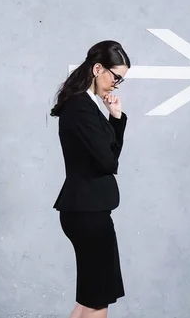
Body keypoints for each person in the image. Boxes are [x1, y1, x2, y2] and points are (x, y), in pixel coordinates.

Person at [50, 40, 131, 318]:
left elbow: (108, 158)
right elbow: (109, 162)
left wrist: (116, 119)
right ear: (98, 68)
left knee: (90, 298)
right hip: (88, 212)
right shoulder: (80, 107)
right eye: (116, 77)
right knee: (98, 299)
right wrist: (114, 125)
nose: (116, 85)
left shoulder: (84, 105)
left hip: (87, 210)